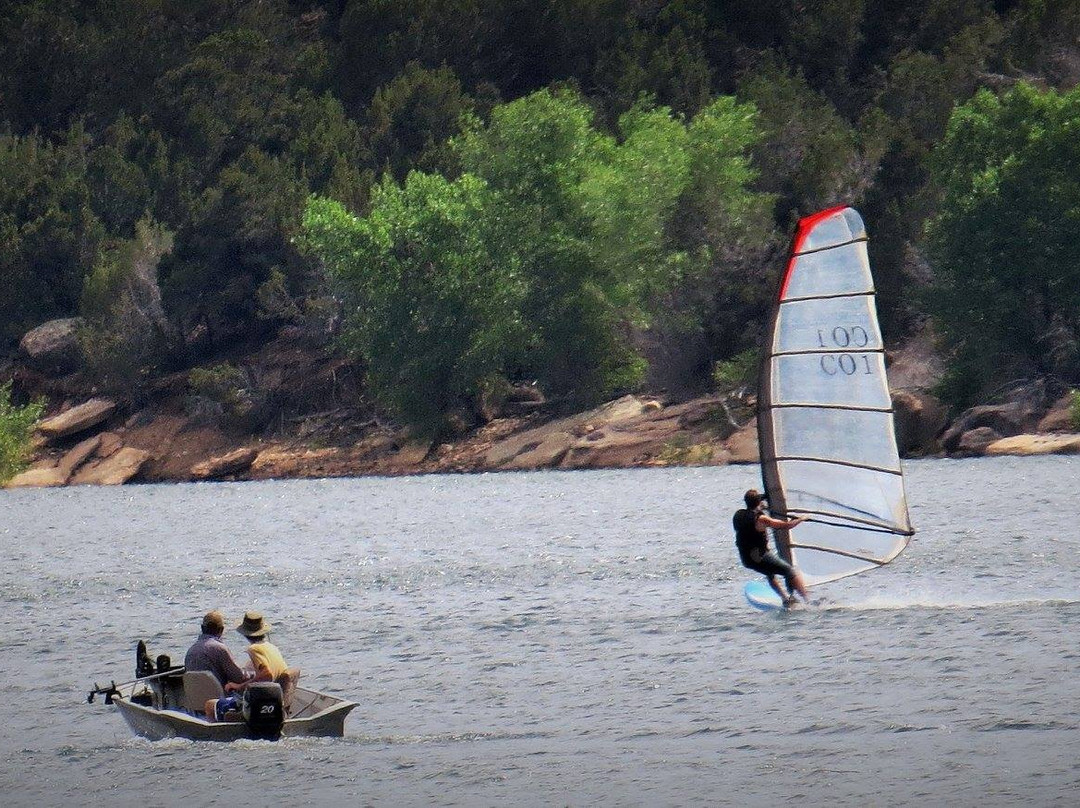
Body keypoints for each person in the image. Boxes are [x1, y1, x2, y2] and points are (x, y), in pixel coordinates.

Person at [734, 488, 810, 607]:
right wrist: (801, 519)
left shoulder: (738, 515)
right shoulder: (761, 519)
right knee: (789, 570)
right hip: (760, 557)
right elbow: (785, 525)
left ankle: (785, 600)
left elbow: (751, 513)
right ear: (758, 502)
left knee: (770, 572)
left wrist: (760, 506)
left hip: (746, 559)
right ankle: (808, 600)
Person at [209, 611, 289, 721]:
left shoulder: (253, 649)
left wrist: (239, 686)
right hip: (274, 703)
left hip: (259, 703)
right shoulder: (272, 647)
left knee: (210, 704)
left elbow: (267, 674)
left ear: (245, 633)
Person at [184, 610, 251, 689]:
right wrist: (251, 674)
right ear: (221, 630)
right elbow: (239, 678)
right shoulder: (220, 649)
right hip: (219, 699)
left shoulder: (191, 650)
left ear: (202, 628)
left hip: (196, 699)